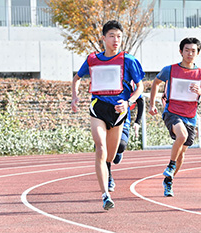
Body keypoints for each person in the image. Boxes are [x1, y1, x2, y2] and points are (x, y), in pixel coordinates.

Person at [71, 20, 144, 210]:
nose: (116, 40)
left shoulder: (128, 60)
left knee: (110, 155)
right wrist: (74, 97)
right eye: (111, 36)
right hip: (98, 108)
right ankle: (105, 195)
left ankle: (110, 167)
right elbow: (77, 78)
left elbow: (141, 87)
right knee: (101, 149)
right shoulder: (92, 59)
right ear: (103, 38)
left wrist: (128, 102)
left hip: (119, 111)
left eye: (119, 36)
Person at [148, 37, 201, 197]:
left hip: (190, 116)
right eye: (187, 50)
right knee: (182, 135)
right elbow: (155, 83)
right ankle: (170, 166)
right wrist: (152, 104)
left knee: (182, 154)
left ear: (198, 53)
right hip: (172, 111)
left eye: (193, 51)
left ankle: (169, 180)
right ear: (181, 51)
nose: (190, 53)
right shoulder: (170, 70)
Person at [107, 95, 144, 192]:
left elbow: (140, 100)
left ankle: (118, 152)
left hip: (122, 120)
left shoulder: (129, 81)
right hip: (105, 119)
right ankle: (109, 178)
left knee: (121, 146)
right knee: (103, 150)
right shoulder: (103, 81)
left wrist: (137, 122)